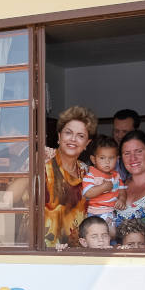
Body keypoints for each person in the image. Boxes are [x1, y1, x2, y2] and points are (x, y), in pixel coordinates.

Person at [44, 106, 97, 248]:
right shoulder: (43, 164)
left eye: (81, 136)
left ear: (87, 144)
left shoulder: (87, 173)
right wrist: (32, 164)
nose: (73, 139)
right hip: (43, 254)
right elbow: (13, 196)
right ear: (59, 136)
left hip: (77, 254)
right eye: (68, 133)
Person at [82, 135, 127, 238]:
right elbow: (87, 193)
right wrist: (103, 187)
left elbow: (122, 191)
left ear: (117, 159)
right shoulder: (91, 176)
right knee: (101, 236)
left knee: (117, 235)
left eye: (111, 158)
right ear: (93, 159)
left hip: (112, 213)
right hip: (96, 214)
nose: (107, 162)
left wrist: (122, 200)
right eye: (102, 158)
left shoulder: (116, 176)